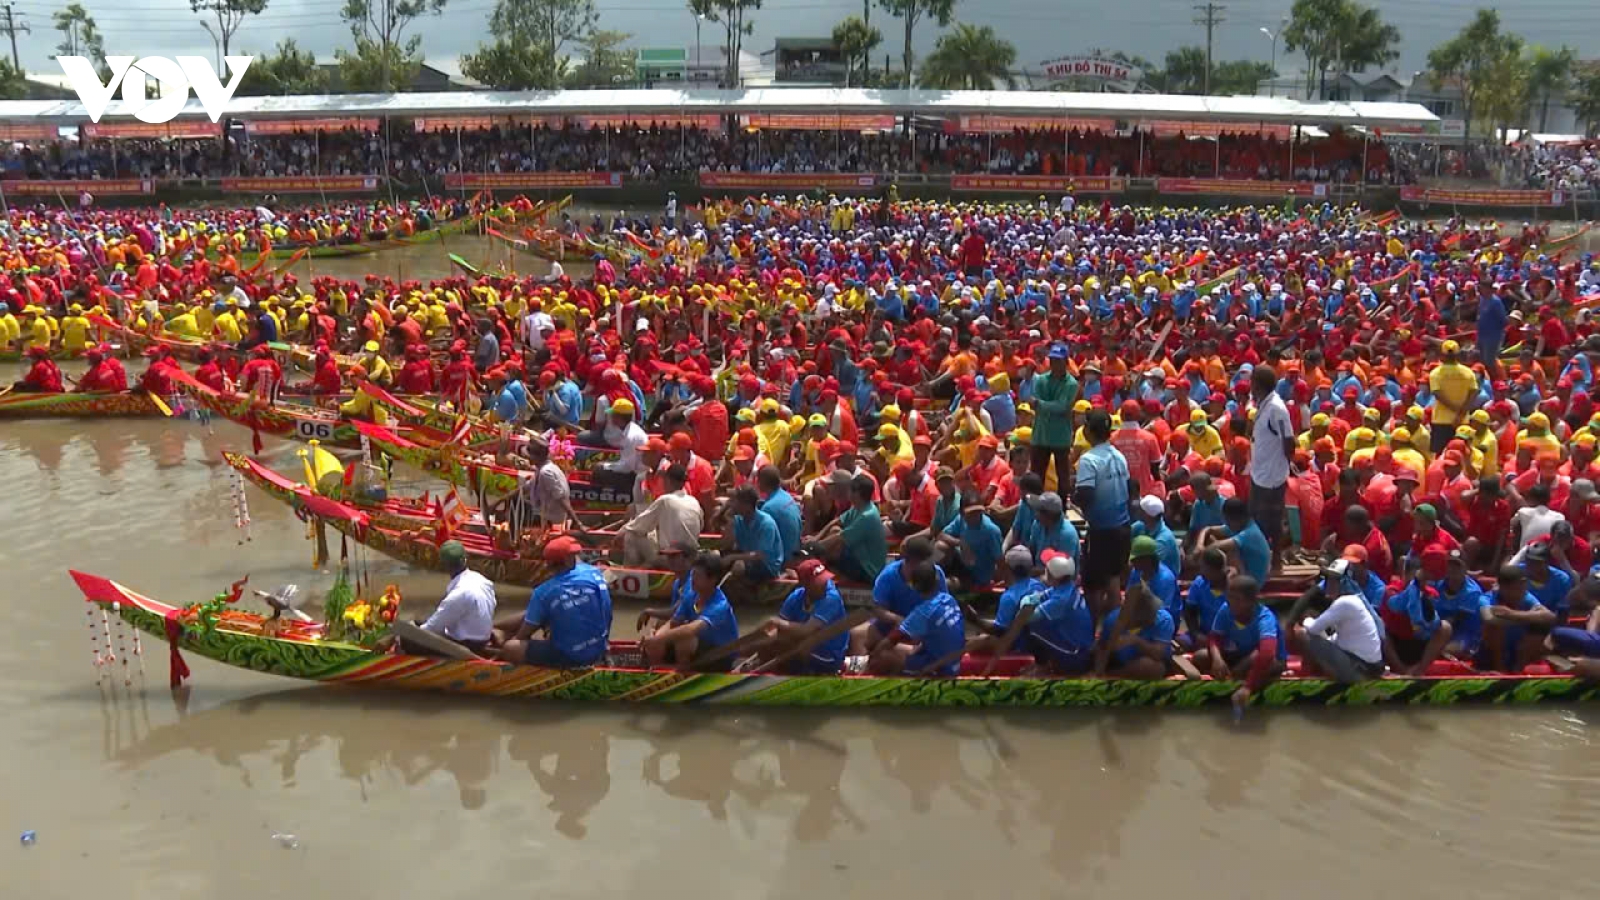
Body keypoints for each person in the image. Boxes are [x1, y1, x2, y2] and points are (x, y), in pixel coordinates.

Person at [498, 536, 612, 668]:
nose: (577, 557)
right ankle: (497, 629)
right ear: (568, 561)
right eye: (575, 555)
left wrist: (514, 640)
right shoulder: (595, 572)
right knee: (538, 613)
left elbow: (523, 635)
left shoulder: (543, 592)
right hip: (600, 645)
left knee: (511, 647)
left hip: (570, 656)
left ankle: (496, 631)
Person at [1192, 575, 1285, 711]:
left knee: (1260, 660)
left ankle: (1248, 681)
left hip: (1266, 660)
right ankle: (1227, 677)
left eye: (1236, 599)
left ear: (1251, 601)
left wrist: (1248, 687)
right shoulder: (1226, 609)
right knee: (1200, 656)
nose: (1230, 601)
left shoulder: (1265, 618)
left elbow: (1267, 653)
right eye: (1229, 596)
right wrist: (1217, 659)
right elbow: (1214, 637)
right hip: (1239, 654)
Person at [1073, 409, 1132, 612]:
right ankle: (1111, 624)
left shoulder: (1089, 460)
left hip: (1101, 531)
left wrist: (1074, 497)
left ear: (1088, 430)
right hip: (1123, 527)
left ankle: (1096, 625)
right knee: (1113, 580)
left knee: (1093, 586)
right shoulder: (1119, 456)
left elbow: (1086, 494)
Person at [641, 553, 739, 670]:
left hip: (722, 655)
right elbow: (674, 622)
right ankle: (656, 668)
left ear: (712, 580)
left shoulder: (720, 605)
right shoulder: (692, 595)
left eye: (698, 576)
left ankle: (682, 670)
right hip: (701, 648)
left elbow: (690, 629)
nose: (693, 580)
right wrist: (656, 637)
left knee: (685, 638)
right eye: (693, 575)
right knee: (660, 631)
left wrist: (658, 639)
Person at [866, 563, 966, 676]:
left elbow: (889, 641)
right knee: (910, 651)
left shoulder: (923, 613)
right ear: (937, 580)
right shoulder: (949, 599)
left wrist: (873, 656)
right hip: (954, 662)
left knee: (885, 656)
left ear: (914, 586)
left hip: (940, 670)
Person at [1295, 559, 1385, 683]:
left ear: (1344, 582)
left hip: (1360, 669)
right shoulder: (1353, 601)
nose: (1329, 583)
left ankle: (1311, 678)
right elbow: (1339, 639)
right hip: (1364, 666)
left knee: (1302, 633)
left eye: (1334, 580)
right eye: (1328, 579)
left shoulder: (1344, 602)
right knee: (1321, 635)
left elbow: (1313, 629)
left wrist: (1306, 620)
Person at [402, 540, 498, 656]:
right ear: (465, 559)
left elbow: (431, 629)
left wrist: (410, 631)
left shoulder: (457, 595)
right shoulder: (482, 581)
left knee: (407, 639)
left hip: (467, 645)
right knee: (419, 620)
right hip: (482, 638)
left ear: (444, 565)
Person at [754, 558, 850, 674]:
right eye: (819, 582)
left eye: (824, 580)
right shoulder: (796, 597)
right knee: (767, 642)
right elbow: (779, 630)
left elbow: (806, 630)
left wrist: (776, 622)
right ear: (805, 584)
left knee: (780, 643)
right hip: (806, 647)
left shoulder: (831, 598)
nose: (824, 584)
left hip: (830, 656)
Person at [1249, 365, 1295, 569]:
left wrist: (1282, 465)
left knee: (1273, 521)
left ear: (1258, 385)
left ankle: (1276, 560)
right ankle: (1262, 558)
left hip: (1272, 475)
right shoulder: (1263, 404)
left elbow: (1289, 441)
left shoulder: (1277, 408)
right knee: (1258, 519)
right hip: (1260, 472)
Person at [805, 474, 888, 584]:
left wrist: (814, 547)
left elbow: (840, 538)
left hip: (869, 569)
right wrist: (816, 538)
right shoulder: (858, 507)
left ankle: (812, 567)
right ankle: (815, 563)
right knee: (835, 530)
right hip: (859, 555)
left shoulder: (867, 516)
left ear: (857, 494)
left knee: (835, 548)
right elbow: (837, 522)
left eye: (850, 490)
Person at [616, 464, 703, 566]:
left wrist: (621, 532)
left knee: (631, 535)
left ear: (668, 480)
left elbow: (639, 526)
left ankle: (630, 571)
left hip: (672, 557)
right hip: (692, 556)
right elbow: (700, 526)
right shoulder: (694, 501)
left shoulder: (665, 500)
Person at [1478, 564, 1557, 672]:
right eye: (1516, 588)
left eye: (1523, 587)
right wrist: (1529, 618)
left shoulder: (1527, 597)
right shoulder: (1486, 599)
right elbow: (1489, 618)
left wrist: (1512, 614)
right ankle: (1500, 669)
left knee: (1541, 627)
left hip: (1518, 647)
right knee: (1494, 627)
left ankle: (1518, 671)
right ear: (1503, 588)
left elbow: (1550, 617)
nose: (1521, 591)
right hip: (1489, 652)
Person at [1094, 581, 1175, 680]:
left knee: (1152, 667)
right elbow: (1101, 647)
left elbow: (1158, 654)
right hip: (1120, 661)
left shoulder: (1164, 620)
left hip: (1150, 661)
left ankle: (1114, 676)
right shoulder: (1113, 619)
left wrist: (1136, 641)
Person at [1197, 497, 1272, 586]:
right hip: (1245, 573)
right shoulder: (1240, 525)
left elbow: (1214, 547)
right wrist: (1199, 545)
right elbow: (1208, 529)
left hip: (1251, 584)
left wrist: (1198, 553)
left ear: (1235, 518)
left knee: (1229, 550)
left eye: (1227, 520)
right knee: (1211, 540)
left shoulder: (1250, 533)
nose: (1226, 523)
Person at [722, 486, 786, 584]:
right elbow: (727, 545)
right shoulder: (738, 520)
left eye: (735, 501)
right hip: (747, 557)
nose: (732, 504)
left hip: (766, 565)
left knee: (739, 566)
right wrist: (729, 522)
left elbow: (759, 555)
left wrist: (733, 557)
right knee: (715, 558)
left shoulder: (766, 524)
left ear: (747, 505)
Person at [1126, 534, 1180, 620]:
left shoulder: (1165, 578)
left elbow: (1162, 609)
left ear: (1147, 559)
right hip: (1140, 613)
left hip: (1164, 620)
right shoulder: (1136, 571)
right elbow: (1128, 596)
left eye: (1135, 559)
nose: (1132, 562)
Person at [1132, 494, 1180, 574]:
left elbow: (1147, 564)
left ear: (1147, 515)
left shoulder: (1164, 538)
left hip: (1162, 577)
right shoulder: (1141, 525)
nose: (1137, 511)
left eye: (1141, 509)